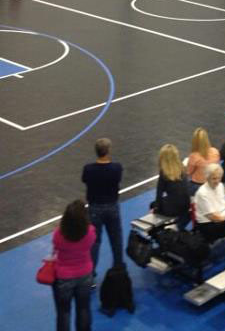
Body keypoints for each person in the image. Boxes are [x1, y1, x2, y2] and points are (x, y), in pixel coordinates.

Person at [51, 200, 95, 331]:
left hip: (64, 277)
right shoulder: (90, 232)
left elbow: (55, 248)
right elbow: (92, 244)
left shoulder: (58, 235)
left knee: (63, 313)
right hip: (84, 275)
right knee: (83, 308)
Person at [81, 138, 124, 275]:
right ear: (108, 151)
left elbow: (85, 180)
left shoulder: (88, 169)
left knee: (94, 242)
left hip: (94, 209)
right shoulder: (116, 168)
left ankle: (91, 273)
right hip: (112, 207)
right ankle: (119, 268)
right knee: (116, 239)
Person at [151, 144, 191, 229]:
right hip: (186, 205)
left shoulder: (164, 173)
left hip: (173, 209)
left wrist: (155, 209)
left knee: (152, 204)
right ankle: (178, 225)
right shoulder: (182, 168)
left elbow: (159, 194)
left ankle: (161, 230)